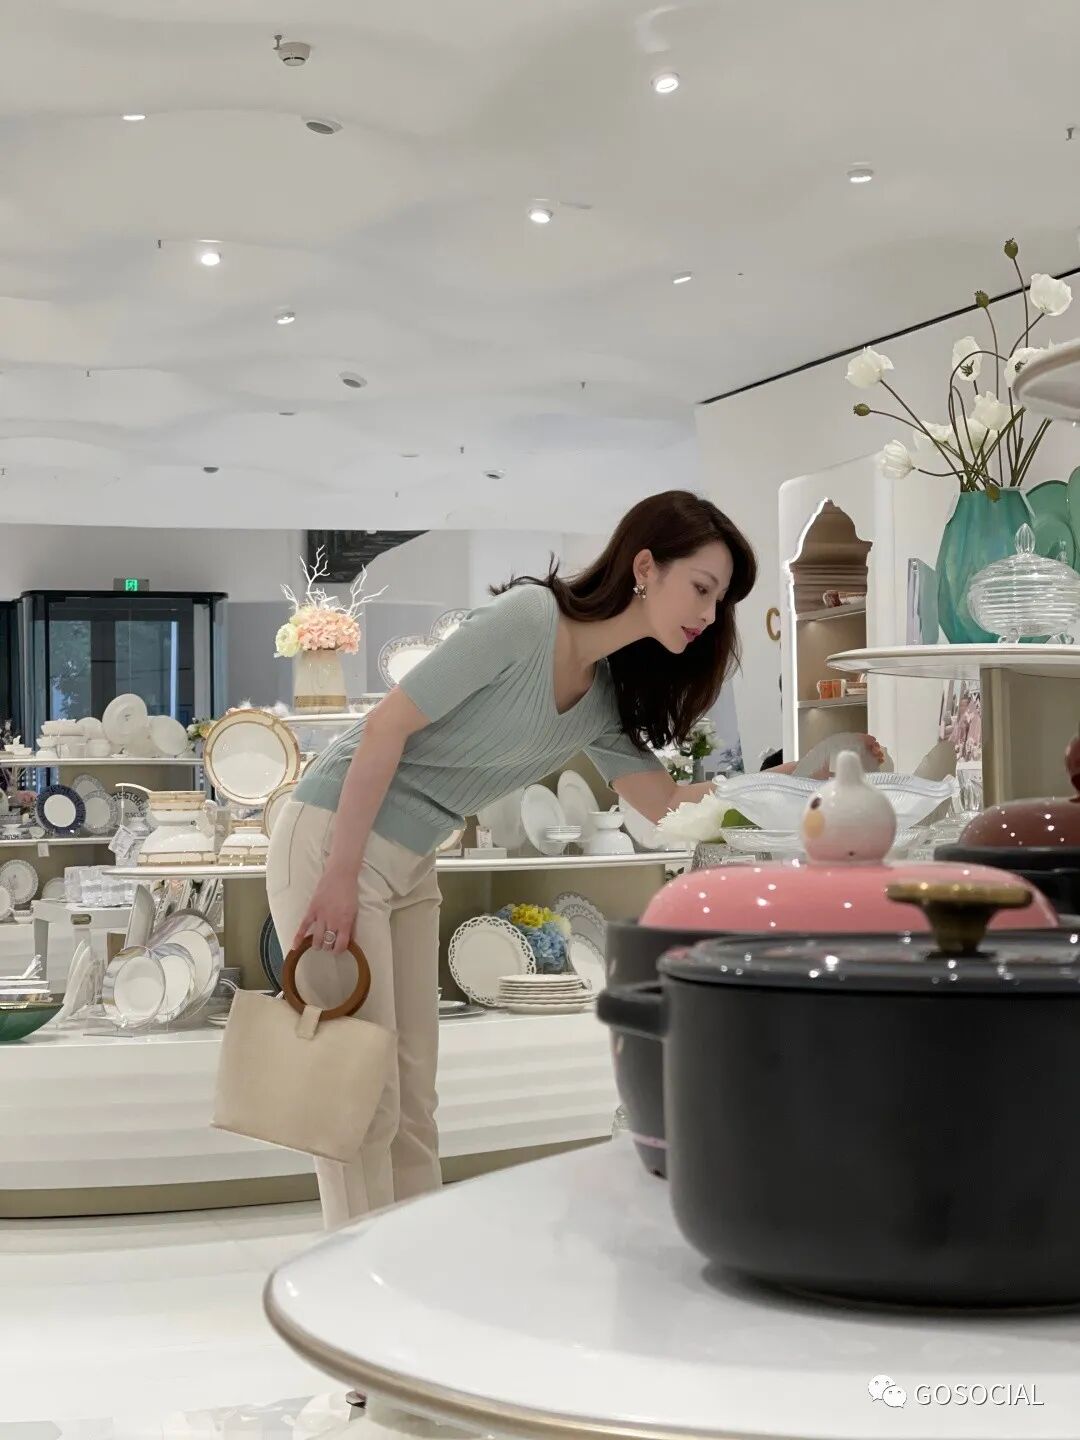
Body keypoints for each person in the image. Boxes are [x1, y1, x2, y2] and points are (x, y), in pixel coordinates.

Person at [264, 490, 872, 1228]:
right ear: (644, 568)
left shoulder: (605, 697)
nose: (710, 616)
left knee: (413, 1095)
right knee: (362, 1095)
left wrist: (797, 776)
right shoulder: (528, 619)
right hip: (334, 837)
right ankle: (351, 1274)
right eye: (702, 589)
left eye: (719, 601)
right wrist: (336, 875)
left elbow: (664, 804)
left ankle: (411, 1264)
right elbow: (385, 728)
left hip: (410, 860)